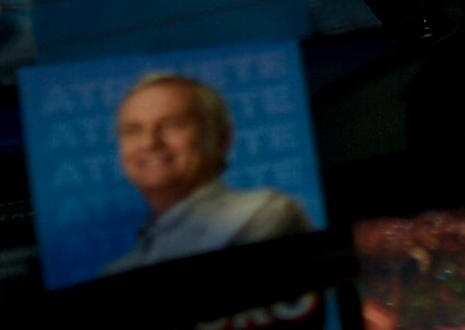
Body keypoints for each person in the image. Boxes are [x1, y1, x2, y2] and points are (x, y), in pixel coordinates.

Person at [98, 72, 309, 274]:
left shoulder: (261, 216)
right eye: (133, 130)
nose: (149, 143)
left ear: (221, 140)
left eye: (173, 125)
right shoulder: (116, 271)